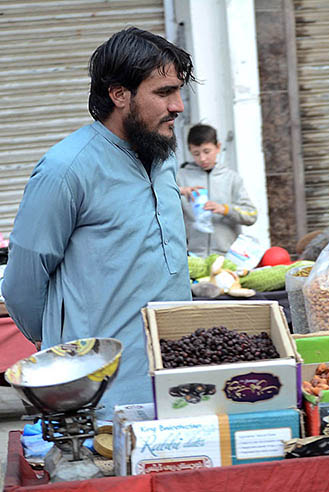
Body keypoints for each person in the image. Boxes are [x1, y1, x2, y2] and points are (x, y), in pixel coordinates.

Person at [1, 27, 194, 418]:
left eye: (178, 91)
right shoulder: (65, 170)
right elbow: (22, 286)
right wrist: (68, 350)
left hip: (177, 385)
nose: (178, 106)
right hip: (103, 400)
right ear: (119, 94)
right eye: (163, 92)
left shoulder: (163, 156)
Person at [176, 124, 257, 256]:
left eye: (207, 151)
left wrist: (225, 209)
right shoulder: (180, 177)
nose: (202, 158)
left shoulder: (232, 178)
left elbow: (251, 215)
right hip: (193, 256)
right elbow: (160, 200)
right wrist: (180, 191)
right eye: (196, 153)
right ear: (189, 151)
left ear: (218, 147)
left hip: (228, 258)